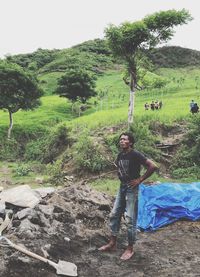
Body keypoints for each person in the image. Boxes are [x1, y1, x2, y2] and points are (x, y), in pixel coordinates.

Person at [98, 132, 158, 260]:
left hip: (132, 188)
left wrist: (139, 179)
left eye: (125, 139)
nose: (121, 141)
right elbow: (120, 169)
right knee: (114, 214)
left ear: (130, 142)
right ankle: (112, 242)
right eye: (120, 139)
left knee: (130, 218)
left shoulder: (135, 154)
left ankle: (130, 248)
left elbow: (153, 166)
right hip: (122, 187)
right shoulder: (120, 155)